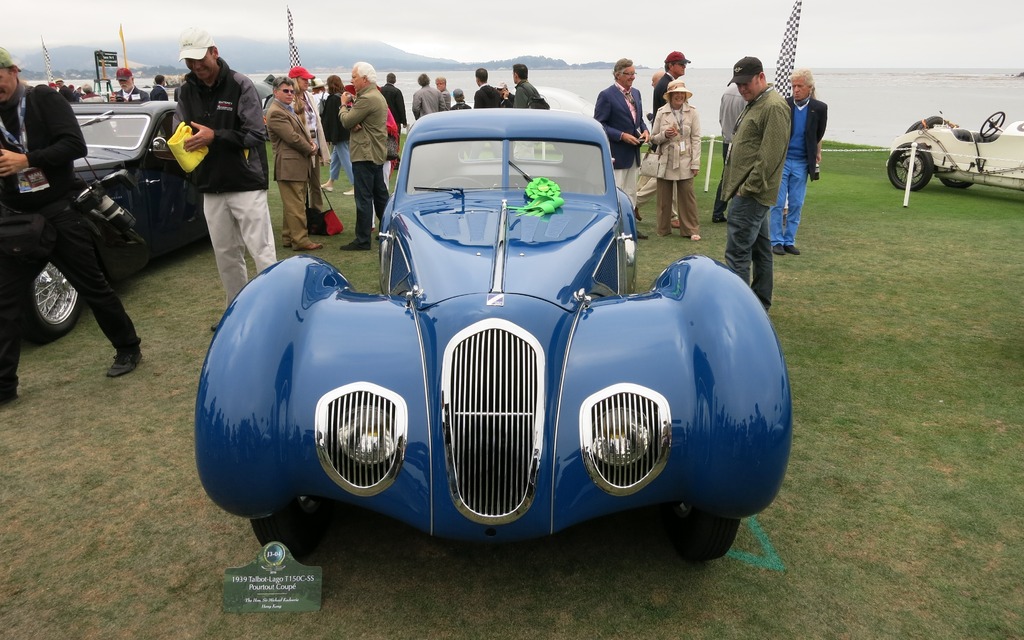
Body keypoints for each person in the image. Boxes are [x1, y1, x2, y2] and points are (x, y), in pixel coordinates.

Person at [0, 47, 142, 405]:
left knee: (93, 286)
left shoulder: (43, 98)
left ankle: (128, 348)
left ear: (13, 70)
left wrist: (27, 159)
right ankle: (4, 385)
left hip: (59, 210)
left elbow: (74, 145)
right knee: (5, 300)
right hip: (16, 218)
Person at [174, 27, 277, 321]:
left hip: (245, 183)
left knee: (262, 250)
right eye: (189, 61)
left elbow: (256, 134)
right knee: (225, 254)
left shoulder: (240, 84)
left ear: (214, 52)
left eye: (199, 59)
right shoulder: (185, 90)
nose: (196, 66)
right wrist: (180, 140)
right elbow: (182, 128)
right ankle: (237, 312)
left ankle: (272, 310)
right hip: (210, 184)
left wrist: (214, 136)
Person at [720, 56, 791, 311]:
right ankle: (759, 305)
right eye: (738, 84)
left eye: (746, 83)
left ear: (761, 77)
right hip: (751, 192)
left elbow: (769, 156)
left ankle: (738, 312)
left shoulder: (773, 106)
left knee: (737, 254)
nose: (741, 89)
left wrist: (746, 188)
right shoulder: (757, 102)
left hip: (751, 194)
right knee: (761, 252)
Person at [770, 68, 828, 256]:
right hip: (783, 161)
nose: (795, 90)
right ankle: (776, 240)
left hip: (802, 162)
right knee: (778, 203)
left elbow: (818, 134)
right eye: (793, 86)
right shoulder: (785, 105)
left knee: (796, 203)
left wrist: (816, 152)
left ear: (809, 88)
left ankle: (789, 240)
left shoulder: (819, 108)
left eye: (800, 86)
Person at [265, 76, 322, 252]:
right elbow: (292, 138)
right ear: (275, 92)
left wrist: (310, 145)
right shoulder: (276, 112)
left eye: (291, 91)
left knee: (292, 204)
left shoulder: (285, 109)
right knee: (296, 205)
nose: (290, 94)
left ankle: (289, 237)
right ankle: (300, 240)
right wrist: (311, 148)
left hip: (295, 164)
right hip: (290, 165)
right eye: (285, 91)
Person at [594, 58, 649, 239]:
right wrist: (621, 135)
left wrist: (646, 131)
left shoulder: (637, 94)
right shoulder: (607, 95)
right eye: (629, 74)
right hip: (617, 153)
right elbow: (600, 124)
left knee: (632, 191)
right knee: (618, 191)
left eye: (634, 74)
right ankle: (614, 228)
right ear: (618, 75)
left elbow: (638, 119)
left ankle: (630, 226)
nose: (632, 77)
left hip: (633, 152)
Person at [339, 61, 388, 252]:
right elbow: (357, 121)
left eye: (354, 77)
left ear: (365, 79)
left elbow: (347, 121)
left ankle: (362, 239)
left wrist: (344, 106)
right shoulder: (375, 96)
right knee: (380, 196)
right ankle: (387, 230)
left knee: (364, 198)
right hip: (375, 153)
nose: (352, 80)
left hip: (365, 154)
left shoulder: (367, 99)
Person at [649, 79, 701, 240]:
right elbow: (653, 138)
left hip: (685, 158)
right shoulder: (661, 112)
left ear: (685, 95)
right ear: (669, 96)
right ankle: (663, 229)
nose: (679, 96)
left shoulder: (692, 112)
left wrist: (695, 163)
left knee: (687, 197)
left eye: (681, 93)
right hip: (666, 159)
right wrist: (665, 135)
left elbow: (696, 139)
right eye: (675, 93)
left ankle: (691, 230)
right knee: (664, 198)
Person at [289, 66, 330, 215]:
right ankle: (301, 215)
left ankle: (316, 213)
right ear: (295, 80)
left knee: (315, 182)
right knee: (300, 184)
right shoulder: (290, 99)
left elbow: (316, 122)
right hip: (300, 146)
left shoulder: (309, 97)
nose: (307, 82)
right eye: (304, 79)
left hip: (314, 144)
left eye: (308, 79)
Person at [712, 83, 745, 223]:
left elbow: (721, 118)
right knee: (740, 178)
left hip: (727, 140)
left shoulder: (726, 92)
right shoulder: (745, 94)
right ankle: (735, 213)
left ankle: (718, 212)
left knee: (726, 177)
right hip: (740, 142)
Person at [320, 75, 354, 195]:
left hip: (339, 133)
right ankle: (330, 182)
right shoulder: (344, 96)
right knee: (336, 158)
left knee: (345, 159)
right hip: (345, 131)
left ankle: (355, 184)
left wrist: (331, 136)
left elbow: (332, 119)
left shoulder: (333, 98)